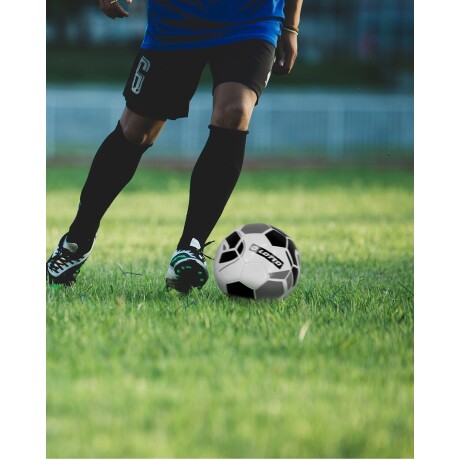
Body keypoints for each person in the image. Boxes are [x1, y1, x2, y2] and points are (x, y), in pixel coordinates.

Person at [46, 0, 303, 293]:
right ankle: (77, 240)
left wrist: (291, 26)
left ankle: (190, 247)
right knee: (137, 130)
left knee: (235, 112)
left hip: (252, 17)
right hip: (177, 16)